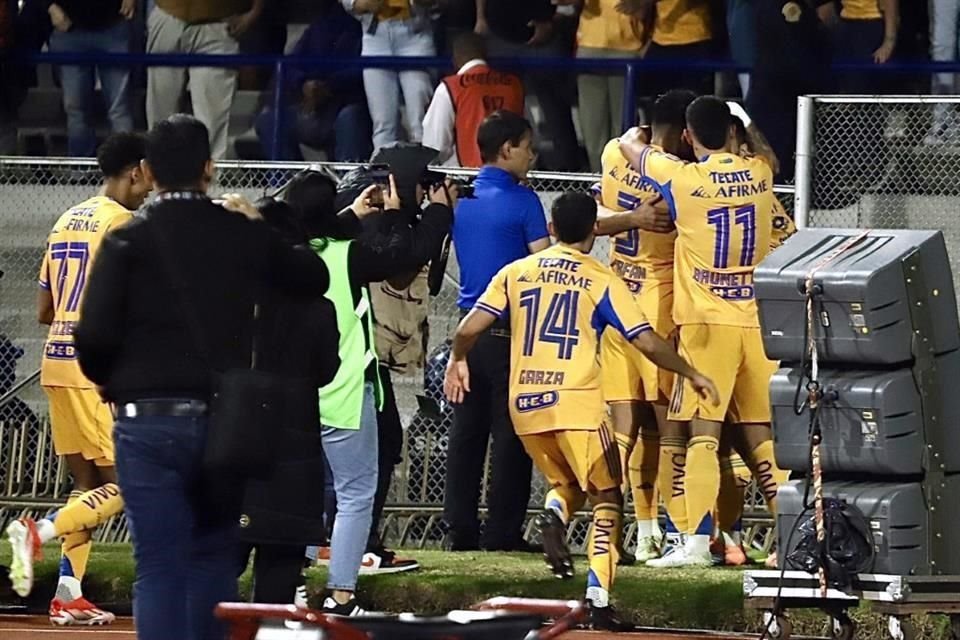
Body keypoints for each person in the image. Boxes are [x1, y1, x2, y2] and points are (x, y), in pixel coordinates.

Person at [71, 114, 331, 640]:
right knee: (212, 559)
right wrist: (257, 224)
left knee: (160, 565)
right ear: (209, 169)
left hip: (147, 422)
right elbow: (312, 276)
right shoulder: (237, 231)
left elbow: (93, 336)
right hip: (224, 423)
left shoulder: (128, 241)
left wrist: (111, 380)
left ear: (147, 170)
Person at [444, 192, 719, 630]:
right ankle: (598, 598)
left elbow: (470, 326)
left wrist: (458, 358)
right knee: (608, 496)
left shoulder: (516, 272)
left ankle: (554, 514)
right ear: (595, 231)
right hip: (578, 403)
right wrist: (691, 371)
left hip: (526, 407)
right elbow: (644, 339)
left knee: (567, 483)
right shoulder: (601, 278)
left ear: (551, 229)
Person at [619, 96, 788, 568]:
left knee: (703, 436)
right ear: (733, 131)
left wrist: (640, 139)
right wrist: (745, 119)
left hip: (706, 326)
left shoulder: (683, 177)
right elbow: (769, 155)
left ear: (689, 138)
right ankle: (794, 538)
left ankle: (695, 540)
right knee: (763, 438)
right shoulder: (759, 173)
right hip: (755, 324)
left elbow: (634, 147)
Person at [286, 169, 454, 615]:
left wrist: (352, 215)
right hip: (341, 390)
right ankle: (342, 595)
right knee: (356, 493)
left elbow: (317, 231)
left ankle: (294, 587)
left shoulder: (285, 253)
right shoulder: (348, 255)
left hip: (291, 396)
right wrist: (418, 210)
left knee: (301, 494)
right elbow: (407, 252)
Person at [5, 133, 151, 626]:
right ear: (137, 170)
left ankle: (68, 590)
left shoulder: (67, 218)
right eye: (148, 174)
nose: (150, 186)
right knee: (128, 483)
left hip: (56, 362)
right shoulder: (123, 225)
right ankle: (37, 532)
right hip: (95, 368)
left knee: (87, 485)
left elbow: (44, 309)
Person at [592, 89, 697, 564]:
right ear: (679, 131)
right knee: (667, 422)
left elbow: (592, 215)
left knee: (623, 422)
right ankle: (676, 530)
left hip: (617, 297)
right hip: (658, 304)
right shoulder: (677, 172)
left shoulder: (614, 150)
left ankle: (636, 527)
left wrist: (625, 217)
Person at [443, 111, 548, 552]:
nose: (532, 154)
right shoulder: (525, 201)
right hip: (512, 333)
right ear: (507, 149)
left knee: (466, 434)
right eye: (527, 146)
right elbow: (542, 263)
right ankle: (502, 531)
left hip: (469, 331)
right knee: (511, 435)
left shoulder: (459, 201)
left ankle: (459, 528)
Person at [236, 196, 340, 606]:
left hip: (237, 435)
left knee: (217, 567)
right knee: (279, 576)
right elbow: (327, 371)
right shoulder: (320, 306)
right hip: (297, 443)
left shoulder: (237, 299)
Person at [254, 0, 372, 161]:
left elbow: (366, 70)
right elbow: (290, 63)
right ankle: (291, 183)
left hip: (347, 106)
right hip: (313, 106)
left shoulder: (370, 23)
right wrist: (304, 84)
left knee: (350, 117)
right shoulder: (323, 21)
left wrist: (329, 86)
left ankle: (350, 183)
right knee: (268, 121)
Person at [146, 0, 266, 159]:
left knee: (212, 121)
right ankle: (159, 179)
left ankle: (211, 181)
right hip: (168, 15)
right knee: (160, 117)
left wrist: (253, 14)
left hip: (219, 22)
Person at [477, 0, 582, 171]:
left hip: (544, 38)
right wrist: (480, 18)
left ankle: (565, 171)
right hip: (500, 36)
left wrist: (553, 22)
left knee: (553, 105)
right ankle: (503, 167)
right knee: (502, 107)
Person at [45, 0, 136, 157]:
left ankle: (126, 171)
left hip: (114, 24)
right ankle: (81, 174)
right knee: (76, 108)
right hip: (68, 28)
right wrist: (50, 6)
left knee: (119, 109)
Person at [563, 0, 645, 173]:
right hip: (589, 48)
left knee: (624, 128)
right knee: (593, 128)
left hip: (628, 49)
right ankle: (597, 181)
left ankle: (621, 180)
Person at [342, 0, 436, 151]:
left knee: (421, 121)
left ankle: (425, 172)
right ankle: (383, 173)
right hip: (375, 38)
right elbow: (350, 3)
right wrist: (359, 3)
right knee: (383, 125)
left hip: (415, 35)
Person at [422, 32, 524, 167]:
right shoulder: (514, 84)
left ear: (455, 59)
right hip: (511, 174)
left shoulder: (451, 87)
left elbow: (435, 146)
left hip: (468, 178)